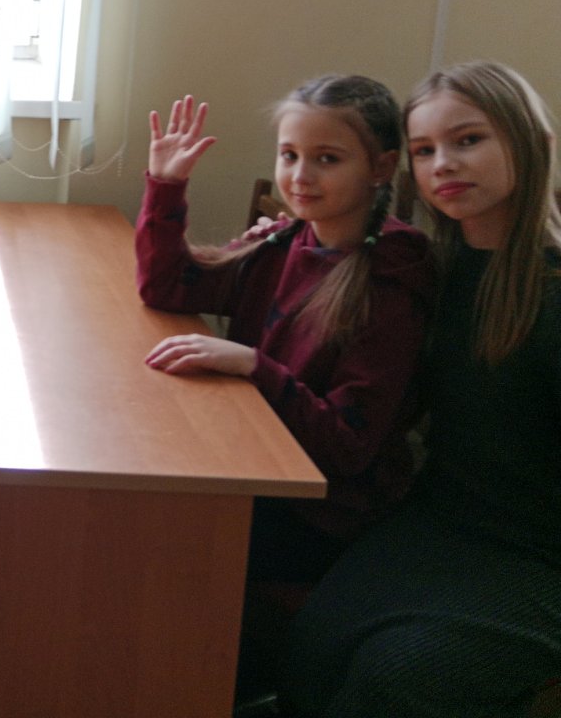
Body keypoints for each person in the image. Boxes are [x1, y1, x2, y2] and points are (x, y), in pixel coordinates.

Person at [282, 61, 561, 718]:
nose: (444, 164)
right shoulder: (438, 271)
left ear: (530, 141)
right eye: (425, 149)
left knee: (397, 678)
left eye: (468, 140)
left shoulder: (552, 293)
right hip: (443, 520)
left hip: (543, 556)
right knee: (309, 655)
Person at [137, 76, 434, 585]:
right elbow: (168, 288)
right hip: (257, 463)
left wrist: (253, 365)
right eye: (289, 155)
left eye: (327, 159)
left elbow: (346, 446)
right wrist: (166, 186)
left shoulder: (389, 283)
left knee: (146, 531)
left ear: (381, 168)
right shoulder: (285, 239)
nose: (300, 176)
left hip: (321, 515)